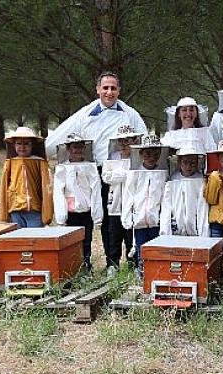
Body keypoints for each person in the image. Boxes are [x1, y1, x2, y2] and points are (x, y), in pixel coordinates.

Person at [43, 71, 148, 271]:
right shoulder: (86, 113)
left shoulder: (130, 114)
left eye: (113, 88)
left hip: (125, 172)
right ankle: (111, 262)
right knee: (107, 220)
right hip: (97, 172)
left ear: (119, 90)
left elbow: (142, 139)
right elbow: (63, 133)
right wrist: (43, 151)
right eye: (105, 88)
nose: (109, 92)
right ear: (98, 89)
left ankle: (134, 261)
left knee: (128, 214)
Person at [53, 134, 103, 271]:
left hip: (86, 211)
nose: (78, 150)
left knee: (87, 241)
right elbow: (58, 192)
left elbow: (96, 190)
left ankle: (86, 265)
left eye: (80, 147)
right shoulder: (62, 168)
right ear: (68, 149)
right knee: (71, 241)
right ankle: (72, 267)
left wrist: (97, 214)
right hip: (70, 212)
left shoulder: (90, 166)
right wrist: (61, 215)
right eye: (75, 147)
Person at [121, 135, 169, 278]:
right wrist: (127, 216)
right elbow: (128, 195)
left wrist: (163, 218)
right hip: (139, 218)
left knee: (155, 246)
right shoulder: (134, 173)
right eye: (147, 153)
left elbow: (165, 198)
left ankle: (155, 271)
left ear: (160, 154)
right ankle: (141, 271)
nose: (151, 157)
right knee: (140, 245)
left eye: (155, 153)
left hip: (156, 219)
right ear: (141, 154)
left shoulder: (163, 174)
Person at [101, 125, 142, 271]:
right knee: (114, 238)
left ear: (135, 141)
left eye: (128, 141)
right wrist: (126, 174)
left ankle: (133, 266)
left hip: (133, 207)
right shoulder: (111, 159)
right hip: (115, 205)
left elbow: (138, 179)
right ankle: (113, 265)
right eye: (121, 142)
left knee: (131, 238)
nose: (124, 145)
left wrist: (119, 175)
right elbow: (106, 177)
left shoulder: (139, 160)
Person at [0, 127, 53, 228]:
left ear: (32, 145)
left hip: (34, 208)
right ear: (14, 145)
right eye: (19, 143)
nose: (22, 147)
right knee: (19, 239)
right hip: (15, 208)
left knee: (35, 238)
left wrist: (47, 214)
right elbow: (4, 186)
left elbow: (46, 187)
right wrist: (3, 214)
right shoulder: (10, 162)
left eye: (27, 143)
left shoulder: (39, 162)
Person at [160, 145, 209, 237]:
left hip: (195, 228)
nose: (188, 166)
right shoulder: (173, 179)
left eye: (192, 163)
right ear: (179, 162)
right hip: (177, 227)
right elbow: (167, 205)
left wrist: (203, 233)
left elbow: (202, 208)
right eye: (185, 162)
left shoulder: (200, 180)